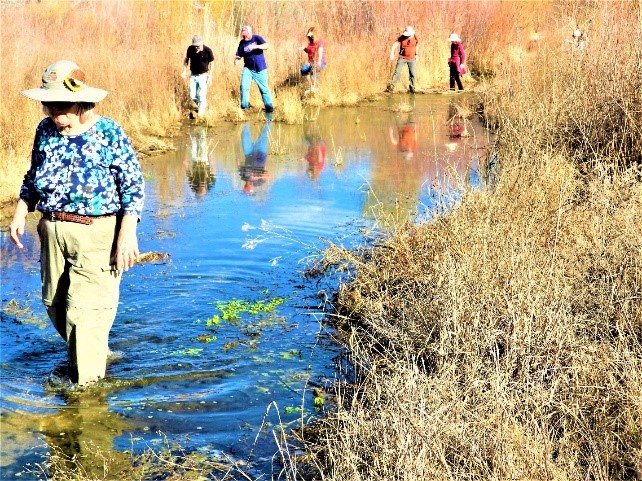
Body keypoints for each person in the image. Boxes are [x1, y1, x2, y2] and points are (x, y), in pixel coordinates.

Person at [9, 60, 145, 385]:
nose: (56, 114)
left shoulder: (109, 132)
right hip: (52, 230)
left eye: (63, 107)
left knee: (85, 316)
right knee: (55, 305)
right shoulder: (45, 130)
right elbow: (33, 176)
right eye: (49, 106)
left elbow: (134, 184)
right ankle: (93, 352)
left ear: (82, 103)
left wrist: (127, 232)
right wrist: (20, 210)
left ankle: (87, 402)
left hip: (96, 233)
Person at [235, 26, 274, 113]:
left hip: (260, 69)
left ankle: (269, 107)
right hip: (248, 68)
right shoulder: (242, 43)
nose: (244, 37)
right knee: (243, 86)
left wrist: (255, 47)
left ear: (250, 33)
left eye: (245, 35)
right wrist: (237, 60)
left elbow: (267, 46)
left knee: (263, 89)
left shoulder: (256, 38)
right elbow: (239, 54)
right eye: (243, 35)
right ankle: (244, 107)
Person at [182, 35, 214, 118]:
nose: (196, 48)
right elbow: (186, 59)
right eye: (195, 46)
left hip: (203, 76)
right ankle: (202, 105)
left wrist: (210, 76)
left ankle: (200, 115)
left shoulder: (207, 51)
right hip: (193, 76)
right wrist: (184, 71)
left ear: (201, 43)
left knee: (202, 95)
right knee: (193, 95)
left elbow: (212, 63)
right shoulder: (190, 49)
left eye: (198, 46)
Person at [239, 122, 271, 194]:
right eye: (249, 186)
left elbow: (240, 168)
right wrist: (257, 176)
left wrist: (238, 163)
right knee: (265, 133)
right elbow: (268, 175)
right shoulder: (259, 183)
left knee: (244, 135)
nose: (249, 184)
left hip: (248, 153)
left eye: (247, 185)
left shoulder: (243, 177)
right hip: (261, 152)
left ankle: (246, 118)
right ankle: (269, 117)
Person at [386, 26, 419, 94]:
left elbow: (417, 46)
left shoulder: (415, 37)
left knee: (412, 74)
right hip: (402, 58)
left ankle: (412, 89)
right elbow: (395, 45)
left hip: (412, 58)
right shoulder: (402, 37)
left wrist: (417, 55)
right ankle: (391, 88)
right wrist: (392, 53)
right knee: (397, 73)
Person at [299, 26, 327, 93]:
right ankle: (312, 87)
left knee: (314, 71)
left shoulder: (320, 41)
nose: (310, 37)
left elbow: (320, 50)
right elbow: (309, 51)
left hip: (321, 61)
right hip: (312, 62)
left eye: (311, 35)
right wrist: (304, 48)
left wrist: (319, 62)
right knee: (304, 69)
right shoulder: (310, 43)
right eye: (309, 36)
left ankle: (316, 88)